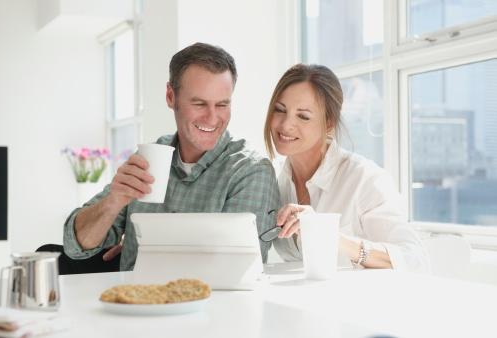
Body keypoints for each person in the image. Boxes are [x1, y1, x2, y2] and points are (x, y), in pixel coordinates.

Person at [63, 42, 280, 271]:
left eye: (222, 104)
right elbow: (75, 246)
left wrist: (145, 251)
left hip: (205, 306)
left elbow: (237, 269)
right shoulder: (150, 157)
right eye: (199, 103)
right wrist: (113, 202)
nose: (212, 118)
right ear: (170, 96)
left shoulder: (249, 172)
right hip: (129, 302)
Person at [262, 64, 429, 272]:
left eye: (303, 116)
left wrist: (329, 235)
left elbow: (414, 259)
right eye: (279, 110)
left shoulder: (364, 178)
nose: (286, 125)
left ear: (329, 122)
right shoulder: (273, 181)